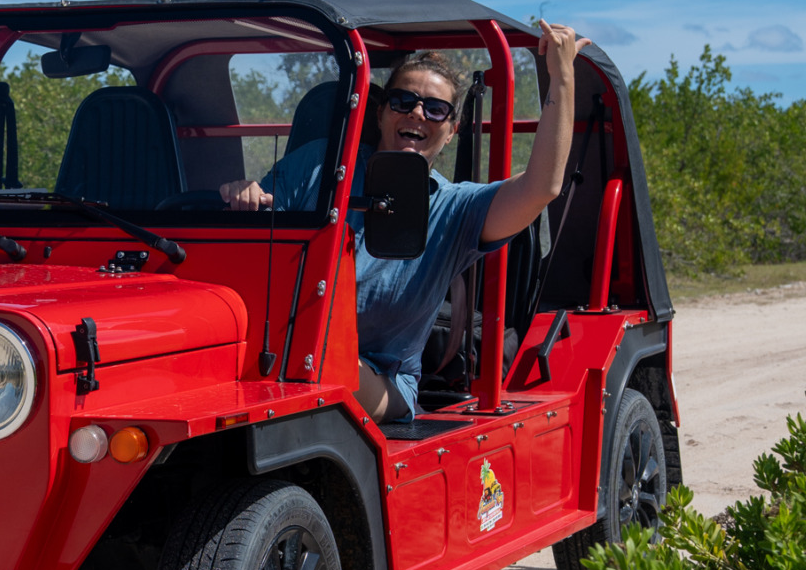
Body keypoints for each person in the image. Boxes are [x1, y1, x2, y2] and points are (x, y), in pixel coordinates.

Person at [219, 24, 590, 421]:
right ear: (380, 113)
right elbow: (257, 250)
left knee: (320, 361)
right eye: (403, 101)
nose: (417, 113)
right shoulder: (319, 166)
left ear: (451, 131)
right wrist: (244, 200)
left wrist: (562, 77)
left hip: (376, 378)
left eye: (435, 109)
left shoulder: (454, 208)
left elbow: (543, 187)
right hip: (277, 355)